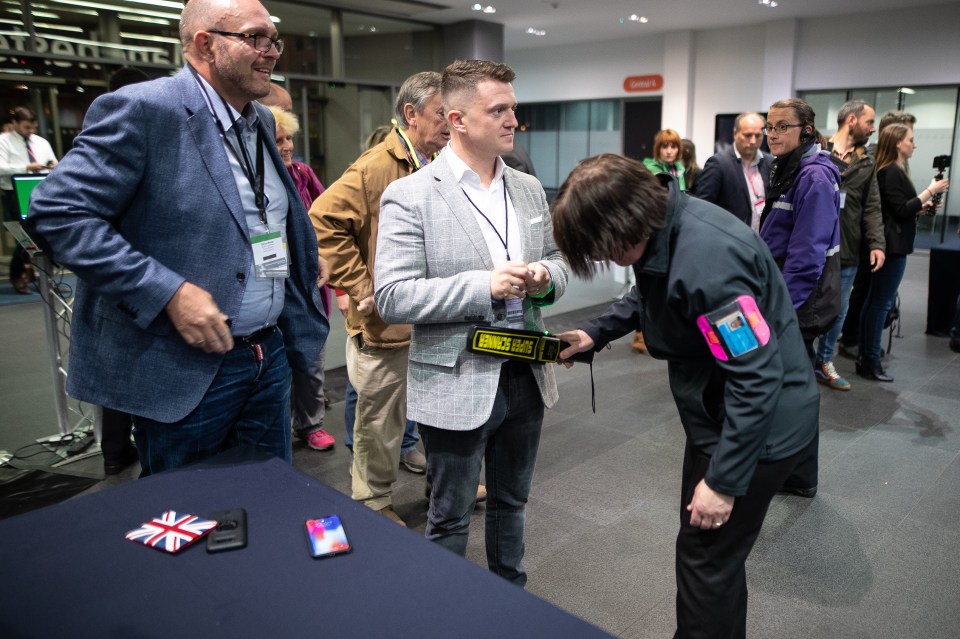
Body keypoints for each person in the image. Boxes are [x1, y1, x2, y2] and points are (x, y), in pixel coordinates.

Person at [25, 0, 328, 476]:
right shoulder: (145, 109)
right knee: (190, 523)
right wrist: (167, 292)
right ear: (205, 44)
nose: (271, 52)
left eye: (274, 40)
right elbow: (58, 213)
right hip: (187, 363)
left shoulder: (261, 121)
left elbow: (249, 216)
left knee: (271, 505)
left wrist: (299, 255)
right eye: (256, 38)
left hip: (266, 355)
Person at [553, 153, 818, 639]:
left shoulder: (710, 264)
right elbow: (654, 285)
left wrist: (723, 481)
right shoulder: (664, 221)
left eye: (604, 248)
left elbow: (756, 379)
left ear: (626, 226)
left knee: (706, 558)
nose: (606, 259)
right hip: (723, 412)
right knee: (712, 556)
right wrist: (598, 331)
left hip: (756, 427)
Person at [375, 59, 569, 586]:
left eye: (513, 109)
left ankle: (510, 597)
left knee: (512, 502)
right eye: (499, 110)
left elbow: (559, 261)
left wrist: (543, 278)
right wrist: (482, 285)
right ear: (457, 119)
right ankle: (446, 608)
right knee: (451, 514)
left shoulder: (527, 188)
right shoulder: (411, 194)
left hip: (526, 369)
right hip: (456, 375)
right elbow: (391, 296)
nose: (512, 120)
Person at [311, 71, 447, 524]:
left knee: (440, 411)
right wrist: (363, 287)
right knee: (381, 420)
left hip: (437, 316)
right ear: (411, 114)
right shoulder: (376, 166)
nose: (451, 123)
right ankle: (372, 501)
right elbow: (323, 219)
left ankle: (444, 486)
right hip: (389, 325)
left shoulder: (443, 162)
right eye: (441, 113)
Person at [759, 98, 840, 500]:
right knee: (796, 383)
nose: (772, 134)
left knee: (795, 387)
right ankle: (798, 474)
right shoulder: (790, 167)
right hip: (786, 292)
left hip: (800, 300)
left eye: (781, 126)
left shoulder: (814, 177)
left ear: (806, 130)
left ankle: (797, 474)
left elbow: (807, 256)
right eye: (768, 127)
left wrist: (780, 313)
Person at [267, 105, 336, 451]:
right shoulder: (256, 179)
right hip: (270, 282)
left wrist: (324, 260)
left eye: (289, 138)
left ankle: (311, 424)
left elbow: (326, 220)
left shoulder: (303, 175)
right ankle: (280, 426)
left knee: (312, 359)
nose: (286, 146)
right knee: (277, 363)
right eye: (277, 139)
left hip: (306, 281)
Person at [858, 124, 949, 381]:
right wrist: (930, 191)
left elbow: (900, 209)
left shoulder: (893, 171)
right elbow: (899, 210)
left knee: (875, 302)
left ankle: (867, 356)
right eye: (911, 139)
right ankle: (871, 359)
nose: (914, 144)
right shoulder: (891, 172)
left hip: (893, 244)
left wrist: (921, 206)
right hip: (892, 246)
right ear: (898, 142)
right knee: (880, 304)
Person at [814, 100, 886, 391]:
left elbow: (872, 207)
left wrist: (876, 243)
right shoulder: (818, 151)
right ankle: (798, 360)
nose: (873, 129)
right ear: (852, 120)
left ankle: (824, 362)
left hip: (847, 249)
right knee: (803, 304)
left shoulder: (867, 163)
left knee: (839, 309)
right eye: (870, 122)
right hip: (814, 245)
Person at [840, 110, 917, 358]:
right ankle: (855, 342)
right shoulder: (877, 163)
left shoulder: (888, 164)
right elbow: (875, 206)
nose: (912, 142)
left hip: (876, 238)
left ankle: (860, 343)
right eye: (907, 134)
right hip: (868, 239)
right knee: (866, 295)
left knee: (872, 297)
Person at [0, 106, 57, 294]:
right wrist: (27, 167)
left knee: (44, 233)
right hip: (14, 192)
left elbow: (54, 162)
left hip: (41, 191)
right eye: (26, 127)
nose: (30, 131)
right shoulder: (4, 141)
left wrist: (53, 166)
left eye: (33, 127)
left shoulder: (41, 142)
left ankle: (45, 276)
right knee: (24, 237)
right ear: (14, 123)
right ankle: (18, 275)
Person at [693, 112, 771, 229]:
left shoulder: (769, 162)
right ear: (735, 133)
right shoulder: (718, 163)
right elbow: (703, 207)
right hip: (731, 239)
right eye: (748, 135)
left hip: (763, 240)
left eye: (758, 135)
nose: (753, 141)